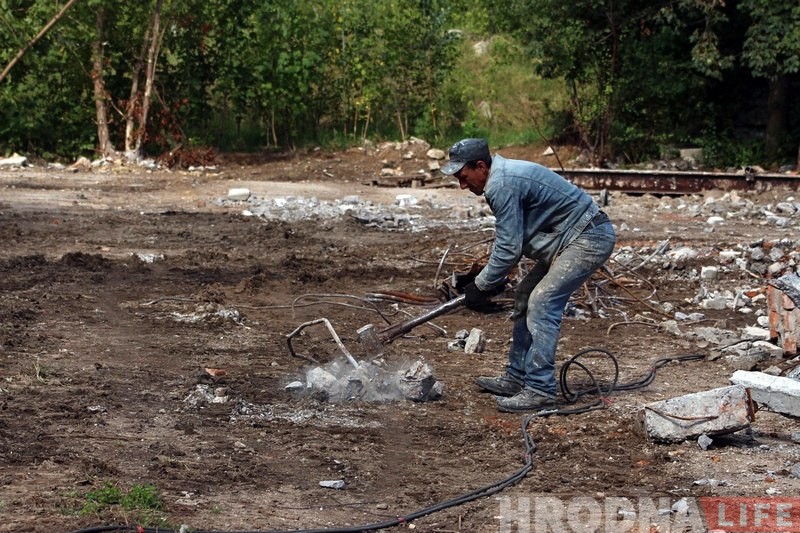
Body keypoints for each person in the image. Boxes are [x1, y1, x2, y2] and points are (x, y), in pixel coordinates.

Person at [441, 138, 616, 413]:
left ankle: (540, 389)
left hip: (588, 238)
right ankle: (517, 376)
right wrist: (485, 281)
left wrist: (481, 285)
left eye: (463, 177)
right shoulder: (501, 178)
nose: (463, 185)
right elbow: (513, 242)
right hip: (570, 238)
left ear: (481, 166)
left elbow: (509, 249)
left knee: (542, 301)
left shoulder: (501, 184)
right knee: (525, 294)